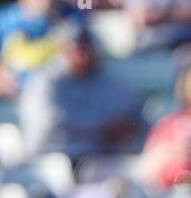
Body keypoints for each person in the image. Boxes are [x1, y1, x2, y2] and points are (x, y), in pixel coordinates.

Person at [19, 25, 142, 161]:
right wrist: (102, 127)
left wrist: (125, 124)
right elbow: (50, 121)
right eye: (79, 49)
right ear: (63, 50)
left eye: (88, 48)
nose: (85, 55)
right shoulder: (43, 81)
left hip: (96, 156)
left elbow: (131, 109)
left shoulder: (101, 77)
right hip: (52, 157)